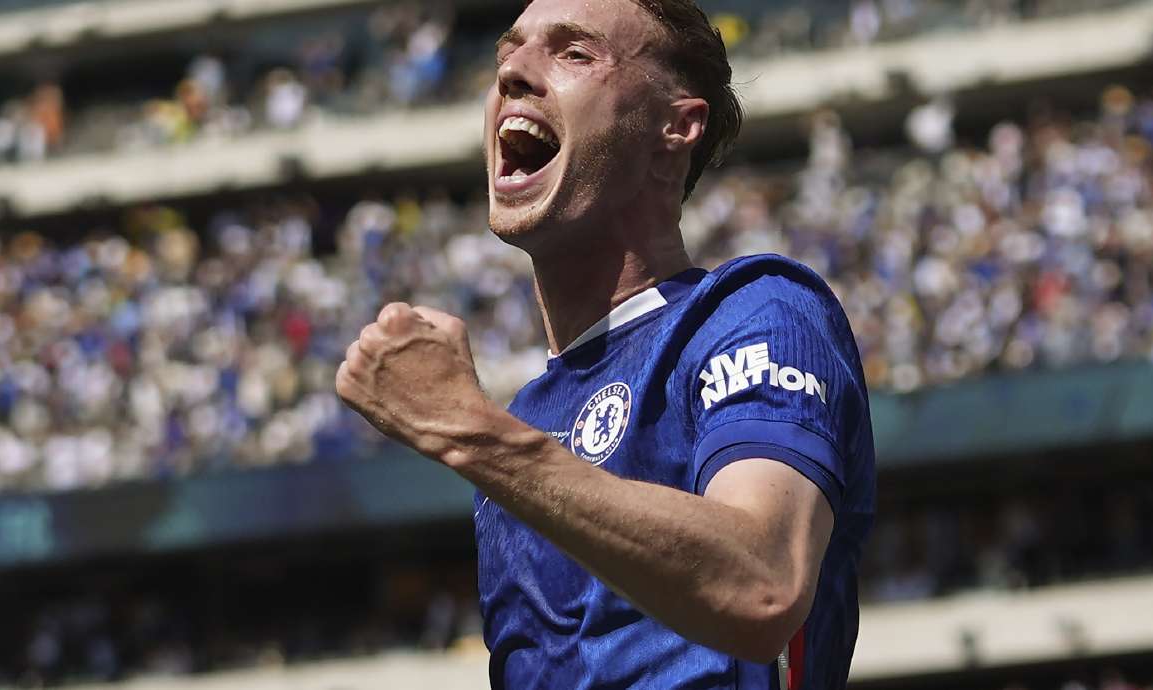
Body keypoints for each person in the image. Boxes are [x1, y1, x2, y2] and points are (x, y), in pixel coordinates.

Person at [335, 0, 876, 687]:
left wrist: (469, 429)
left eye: (574, 53)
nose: (512, 74)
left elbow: (763, 584)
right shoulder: (527, 422)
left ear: (675, 127)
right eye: (508, 52)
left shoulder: (754, 311)